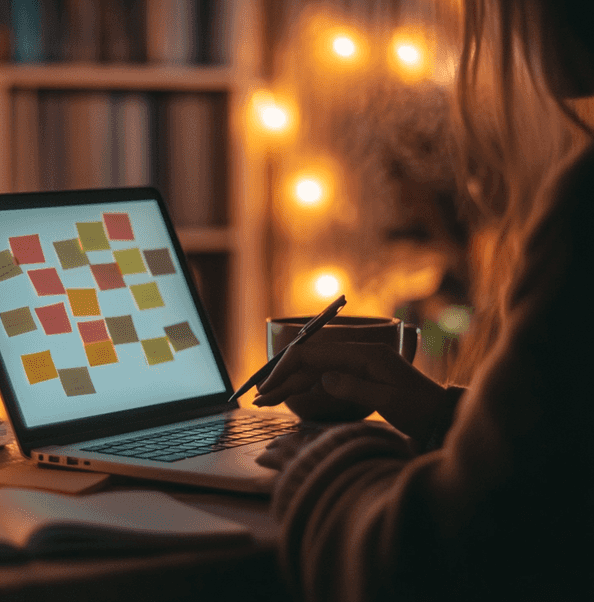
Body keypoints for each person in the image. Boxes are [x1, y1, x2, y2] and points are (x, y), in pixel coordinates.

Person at [252, 1, 594, 600]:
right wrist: (439, 416)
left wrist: (332, 454)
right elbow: (566, 470)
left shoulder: (584, 204)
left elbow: (445, 558)